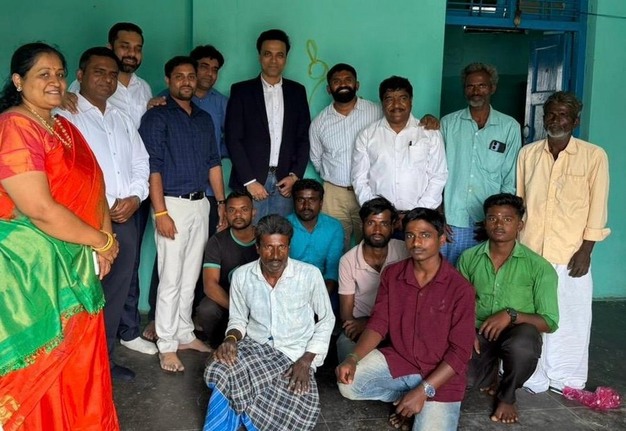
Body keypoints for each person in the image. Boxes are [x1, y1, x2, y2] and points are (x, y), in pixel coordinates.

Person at [0, 42, 119, 430]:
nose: (55, 81)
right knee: (44, 367)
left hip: (77, 264)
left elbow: (95, 184)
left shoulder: (64, 127)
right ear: (18, 81)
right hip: (33, 274)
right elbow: (39, 208)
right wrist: (100, 242)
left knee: (79, 365)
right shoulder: (15, 126)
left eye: (59, 74)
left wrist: (104, 239)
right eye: (43, 74)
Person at [58, 46, 155, 382]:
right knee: (81, 292)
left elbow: (141, 161)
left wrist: (135, 197)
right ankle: (73, 367)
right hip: (83, 220)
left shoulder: (121, 118)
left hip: (124, 218)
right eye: (98, 72)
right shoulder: (65, 116)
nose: (107, 79)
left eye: (112, 74)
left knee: (116, 291)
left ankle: (103, 361)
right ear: (80, 76)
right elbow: (69, 171)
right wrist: (111, 201)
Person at [336, 208, 475, 431]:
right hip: (401, 362)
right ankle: (405, 401)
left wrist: (423, 391)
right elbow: (379, 324)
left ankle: (414, 402)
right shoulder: (393, 274)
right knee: (348, 384)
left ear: (441, 239)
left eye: (425, 235)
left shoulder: (460, 289)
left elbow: (460, 352)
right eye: (410, 235)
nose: (416, 242)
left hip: (442, 378)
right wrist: (352, 358)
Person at [203, 214, 335, 431]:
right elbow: (238, 319)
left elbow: (327, 319)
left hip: (295, 353)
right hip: (256, 347)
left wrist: (306, 361)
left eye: (281, 247)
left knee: (298, 409)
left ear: (289, 247)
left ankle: (242, 410)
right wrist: (231, 339)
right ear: (257, 247)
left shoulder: (309, 275)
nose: (275, 256)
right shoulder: (242, 276)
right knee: (220, 368)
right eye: (268, 247)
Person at [517, 91, 610, 394]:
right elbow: (519, 202)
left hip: (570, 253)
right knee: (531, 314)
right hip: (531, 250)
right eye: (551, 114)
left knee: (571, 316)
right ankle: (531, 375)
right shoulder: (528, 154)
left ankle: (566, 377)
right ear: (544, 118)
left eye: (564, 115)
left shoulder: (593, 156)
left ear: (575, 121)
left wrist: (587, 250)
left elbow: (598, 206)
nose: (556, 120)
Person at [139, 56, 226, 373]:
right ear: (168, 79)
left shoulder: (203, 119)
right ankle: (166, 344)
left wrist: (221, 203)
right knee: (171, 277)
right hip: (171, 204)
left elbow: (213, 163)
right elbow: (153, 167)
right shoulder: (157, 116)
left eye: (191, 76)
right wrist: (160, 211)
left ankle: (185, 333)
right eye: (179, 76)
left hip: (201, 203)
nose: (186, 81)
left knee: (190, 276)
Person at [457, 193, 558, 424]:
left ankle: (508, 395)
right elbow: (460, 305)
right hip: (480, 332)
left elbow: (549, 321)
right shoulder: (468, 258)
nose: (499, 224)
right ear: (485, 222)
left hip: (518, 333)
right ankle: (490, 372)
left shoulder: (539, 267)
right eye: (493, 218)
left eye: (507, 219)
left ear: (519, 225)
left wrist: (512, 315)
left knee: (523, 344)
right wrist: (466, 331)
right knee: (467, 380)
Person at [440, 62, 522, 265]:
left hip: (487, 222)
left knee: (481, 274)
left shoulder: (509, 127)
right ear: (464, 89)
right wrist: (438, 213)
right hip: (452, 217)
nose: (476, 91)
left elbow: (509, 178)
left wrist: (496, 220)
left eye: (482, 86)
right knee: (447, 275)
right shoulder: (448, 124)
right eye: (470, 86)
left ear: (492, 88)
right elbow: (435, 171)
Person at [225, 29, 310, 222]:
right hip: (251, 182)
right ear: (259, 57)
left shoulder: (297, 92)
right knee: (250, 235)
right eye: (267, 54)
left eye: (280, 55)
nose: (273, 60)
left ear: (286, 58)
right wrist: (249, 181)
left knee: (281, 234)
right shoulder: (241, 91)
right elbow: (233, 138)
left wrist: (295, 176)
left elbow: (303, 137)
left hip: (285, 183)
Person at [309, 63, 381, 250]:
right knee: (334, 247)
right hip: (334, 195)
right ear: (329, 89)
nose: (343, 84)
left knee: (372, 245)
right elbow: (316, 159)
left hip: (370, 190)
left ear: (357, 85)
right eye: (336, 81)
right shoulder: (319, 123)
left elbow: (399, 127)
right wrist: (335, 176)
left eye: (348, 80)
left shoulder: (377, 112)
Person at [351, 76, 448, 216]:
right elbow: (359, 179)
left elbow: (438, 176)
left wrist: (418, 213)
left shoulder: (429, 133)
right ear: (382, 103)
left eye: (403, 98)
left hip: (421, 216)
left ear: (411, 101)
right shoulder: (367, 135)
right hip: (381, 218)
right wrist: (377, 212)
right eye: (389, 99)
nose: (396, 105)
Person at [336, 196, 408, 363]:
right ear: (362, 225)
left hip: (397, 325)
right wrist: (366, 327)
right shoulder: (348, 260)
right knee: (348, 354)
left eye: (384, 224)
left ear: (392, 226)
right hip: (360, 329)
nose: (377, 230)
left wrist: (372, 322)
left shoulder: (404, 251)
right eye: (371, 223)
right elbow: (347, 316)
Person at [196, 190, 258, 347]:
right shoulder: (217, 241)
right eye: (232, 210)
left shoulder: (263, 238)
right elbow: (210, 286)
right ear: (225, 213)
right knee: (207, 309)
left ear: (253, 212)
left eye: (244, 209)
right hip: (227, 302)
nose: (238, 215)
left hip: (258, 303)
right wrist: (238, 309)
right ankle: (216, 343)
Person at [66, 22, 152, 128]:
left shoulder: (144, 87)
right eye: (125, 47)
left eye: (138, 49)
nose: (132, 53)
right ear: (109, 48)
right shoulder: (87, 84)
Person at [285, 179, 343, 313]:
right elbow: (279, 269)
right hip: (289, 286)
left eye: (312, 200)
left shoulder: (334, 227)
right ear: (294, 202)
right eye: (300, 200)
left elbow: (332, 270)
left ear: (321, 203)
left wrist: (318, 298)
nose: (306, 206)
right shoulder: (283, 225)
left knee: (333, 308)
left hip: (322, 285)